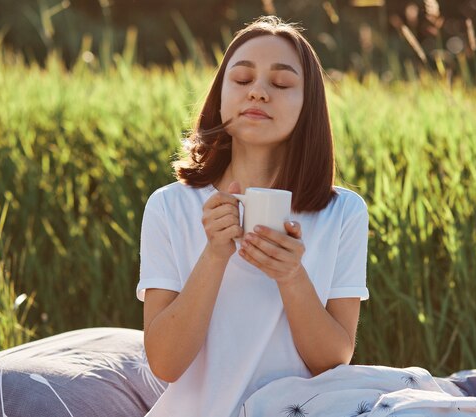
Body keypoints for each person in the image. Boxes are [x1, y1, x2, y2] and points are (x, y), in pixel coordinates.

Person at [136, 15, 369, 417]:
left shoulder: (342, 212)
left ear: (307, 104)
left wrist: (292, 276)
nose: (258, 92)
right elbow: (165, 363)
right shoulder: (170, 206)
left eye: (280, 84)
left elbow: (332, 363)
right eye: (242, 80)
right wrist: (213, 255)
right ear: (221, 96)